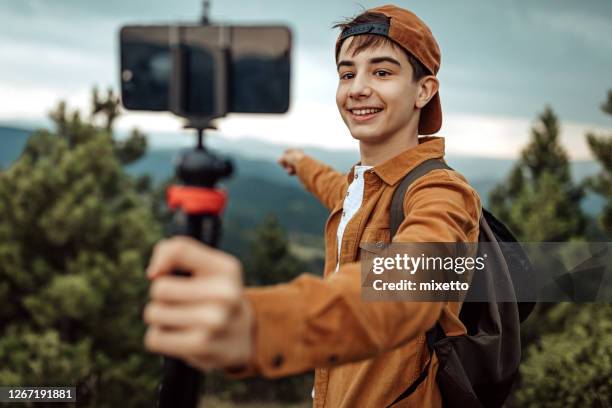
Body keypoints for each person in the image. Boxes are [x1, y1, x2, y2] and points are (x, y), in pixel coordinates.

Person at [143, 5, 481, 407]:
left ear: (424, 90)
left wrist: (260, 325)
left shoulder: (441, 191)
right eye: (347, 73)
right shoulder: (363, 185)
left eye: (383, 72)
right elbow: (335, 187)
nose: (358, 88)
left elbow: (408, 283)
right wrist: (301, 164)